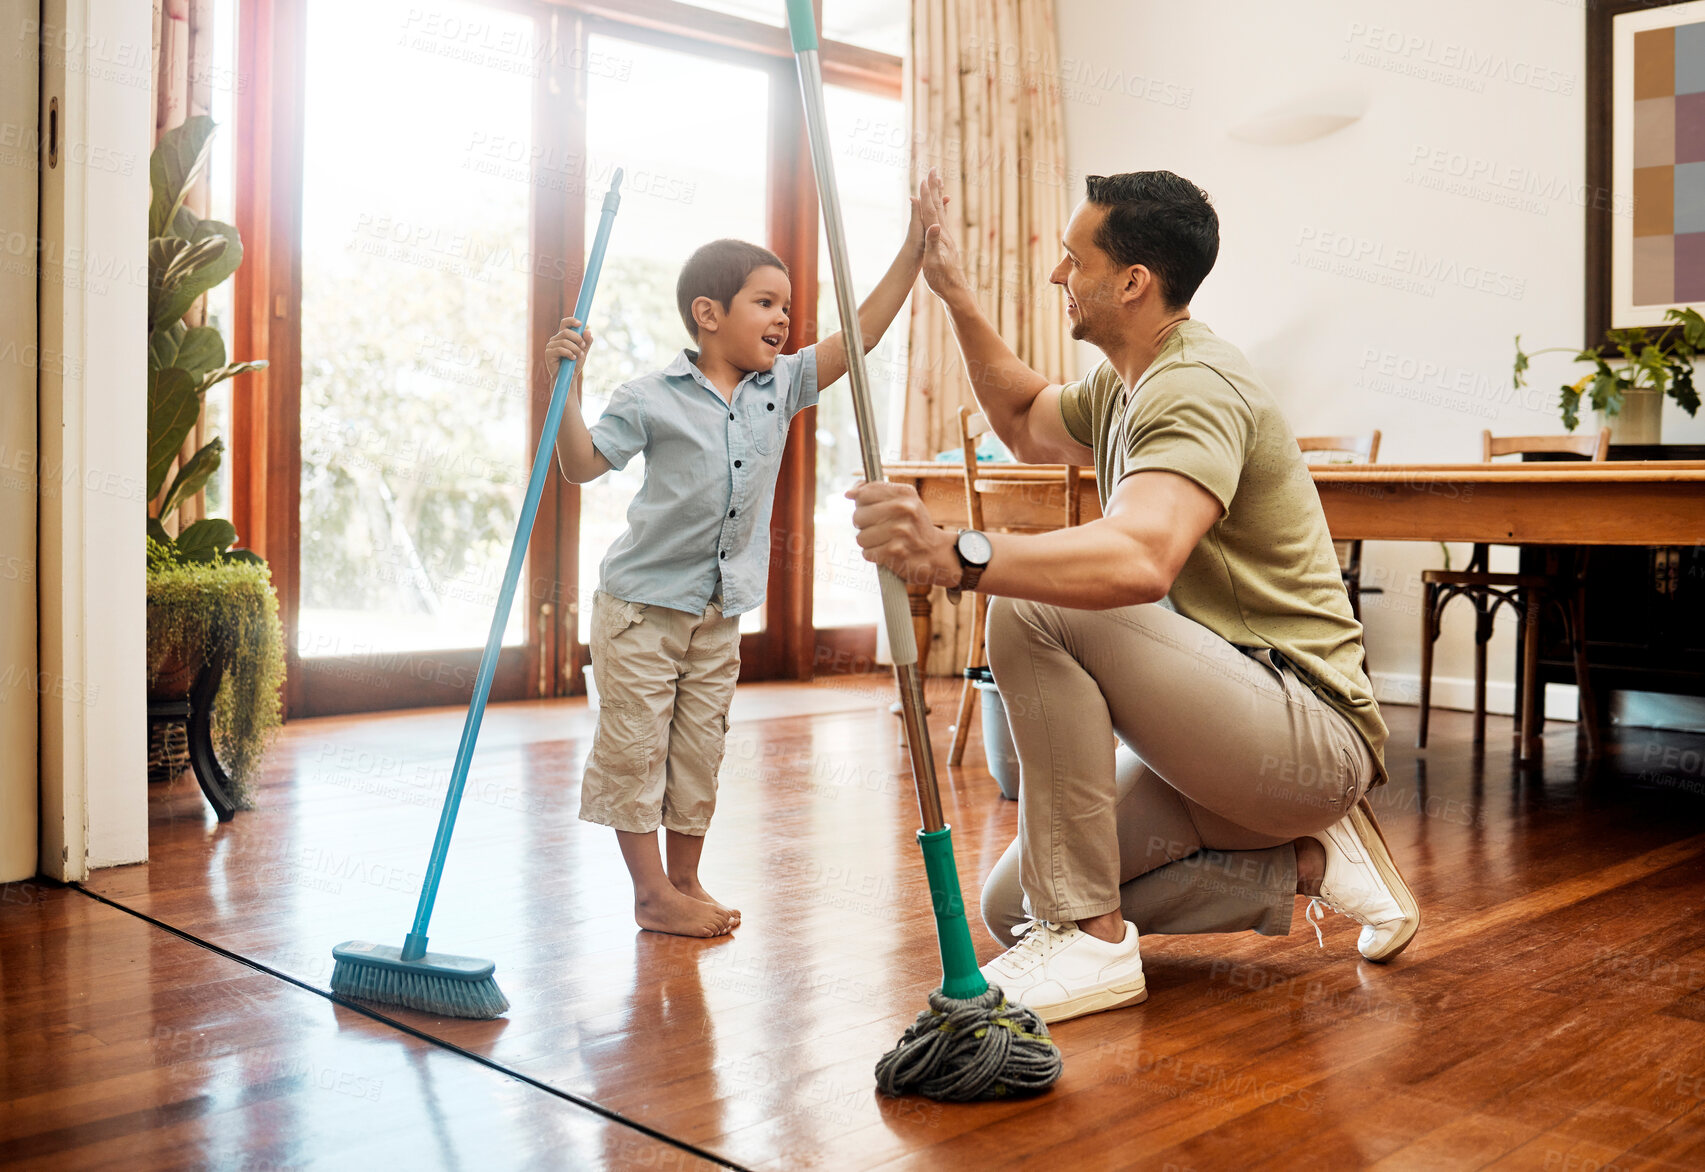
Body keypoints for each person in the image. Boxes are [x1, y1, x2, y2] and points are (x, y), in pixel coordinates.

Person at [847, 170, 1420, 1021]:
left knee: (1035, 603)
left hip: (1305, 734)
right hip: (1224, 738)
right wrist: (955, 293)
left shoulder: (1195, 385)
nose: (1057, 275)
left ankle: (1093, 945)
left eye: (1073, 259)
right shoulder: (1126, 385)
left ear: (1131, 282)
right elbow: (1022, 420)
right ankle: (1310, 863)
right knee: (1019, 905)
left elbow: (1141, 558)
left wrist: (953, 554)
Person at [547, 196, 927, 937]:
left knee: (699, 748)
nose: (784, 318)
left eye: (787, 306)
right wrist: (567, 387)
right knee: (636, 750)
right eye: (766, 302)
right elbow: (580, 465)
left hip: (719, 611)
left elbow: (862, 335)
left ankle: (684, 880)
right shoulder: (648, 398)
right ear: (708, 313)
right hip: (640, 610)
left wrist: (913, 247)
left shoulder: (781, 385)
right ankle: (650, 893)